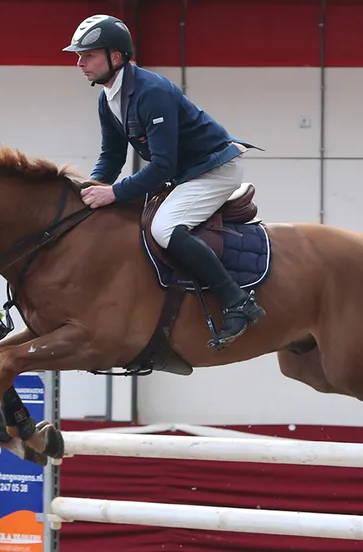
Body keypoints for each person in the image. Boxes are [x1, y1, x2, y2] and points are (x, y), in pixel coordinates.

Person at [62, 14, 266, 349]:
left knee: (164, 228)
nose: (79, 63)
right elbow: (111, 157)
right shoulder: (107, 98)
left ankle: (237, 301)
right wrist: (90, 188)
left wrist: (113, 193)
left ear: (116, 56)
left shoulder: (151, 92)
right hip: (185, 174)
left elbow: (162, 165)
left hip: (213, 169)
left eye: (88, 55)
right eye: (78, 55)